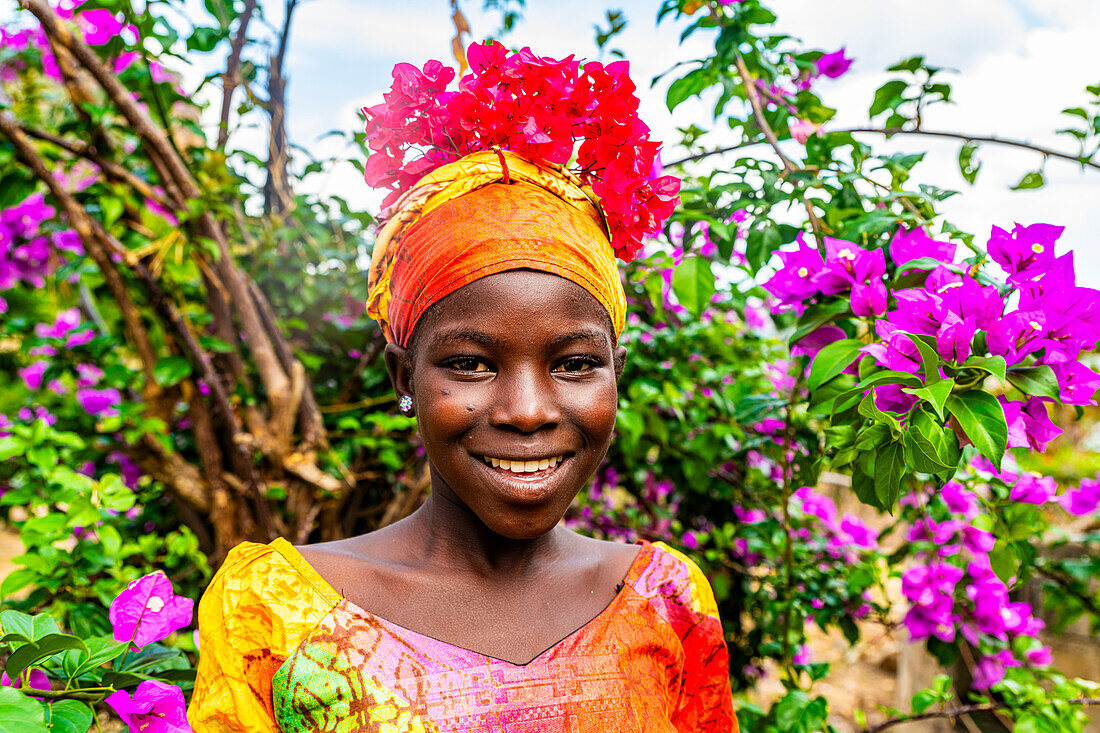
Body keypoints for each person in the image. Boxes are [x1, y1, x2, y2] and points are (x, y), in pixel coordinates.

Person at [189, 43, 737, 733]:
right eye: (472, 364)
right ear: (404, 378)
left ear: (614, 376)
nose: (529, 411)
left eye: (573, 363)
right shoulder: (277, 612)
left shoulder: (667, 603)